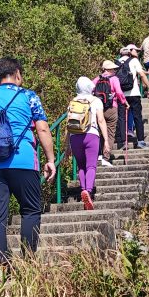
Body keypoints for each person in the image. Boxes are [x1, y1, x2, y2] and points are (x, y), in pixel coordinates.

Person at [0, 57, 56, 280]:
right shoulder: (28, 96)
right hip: (23, 161)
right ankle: (28, 262)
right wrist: (50, 159)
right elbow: (42, 129)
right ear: (17, 74)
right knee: (30, 210)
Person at [65, 76, 111, 210]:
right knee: (91, 166)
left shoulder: (72, 102)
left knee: (81, 166)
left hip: (75, 136)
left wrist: (67, 145)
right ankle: (88, 191)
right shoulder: (96, 101)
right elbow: (101, 120)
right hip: (91, 135)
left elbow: (68, 124)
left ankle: (83, 189)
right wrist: (106, 140)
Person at [92, 60, 127, 163]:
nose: (115, 70)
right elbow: (119, 92)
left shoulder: (97, 79)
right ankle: (106, 157)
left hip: (99, 109)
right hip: (112, 108)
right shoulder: (114, 79)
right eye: (113, 69)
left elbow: (90, 89)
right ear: (109, 69)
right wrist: (124, 102)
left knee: (99, 132)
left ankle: (99, 154)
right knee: (110, 133)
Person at [118, 44, 149, 148]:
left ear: (120, 54)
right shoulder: (134, 61)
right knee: (137, 117)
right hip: (134, 93)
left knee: (122, 118)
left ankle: (124, 142)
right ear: (129, 53)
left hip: (121, 95)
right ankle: (140, 141)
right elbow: (142, 74)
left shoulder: (116, 63)